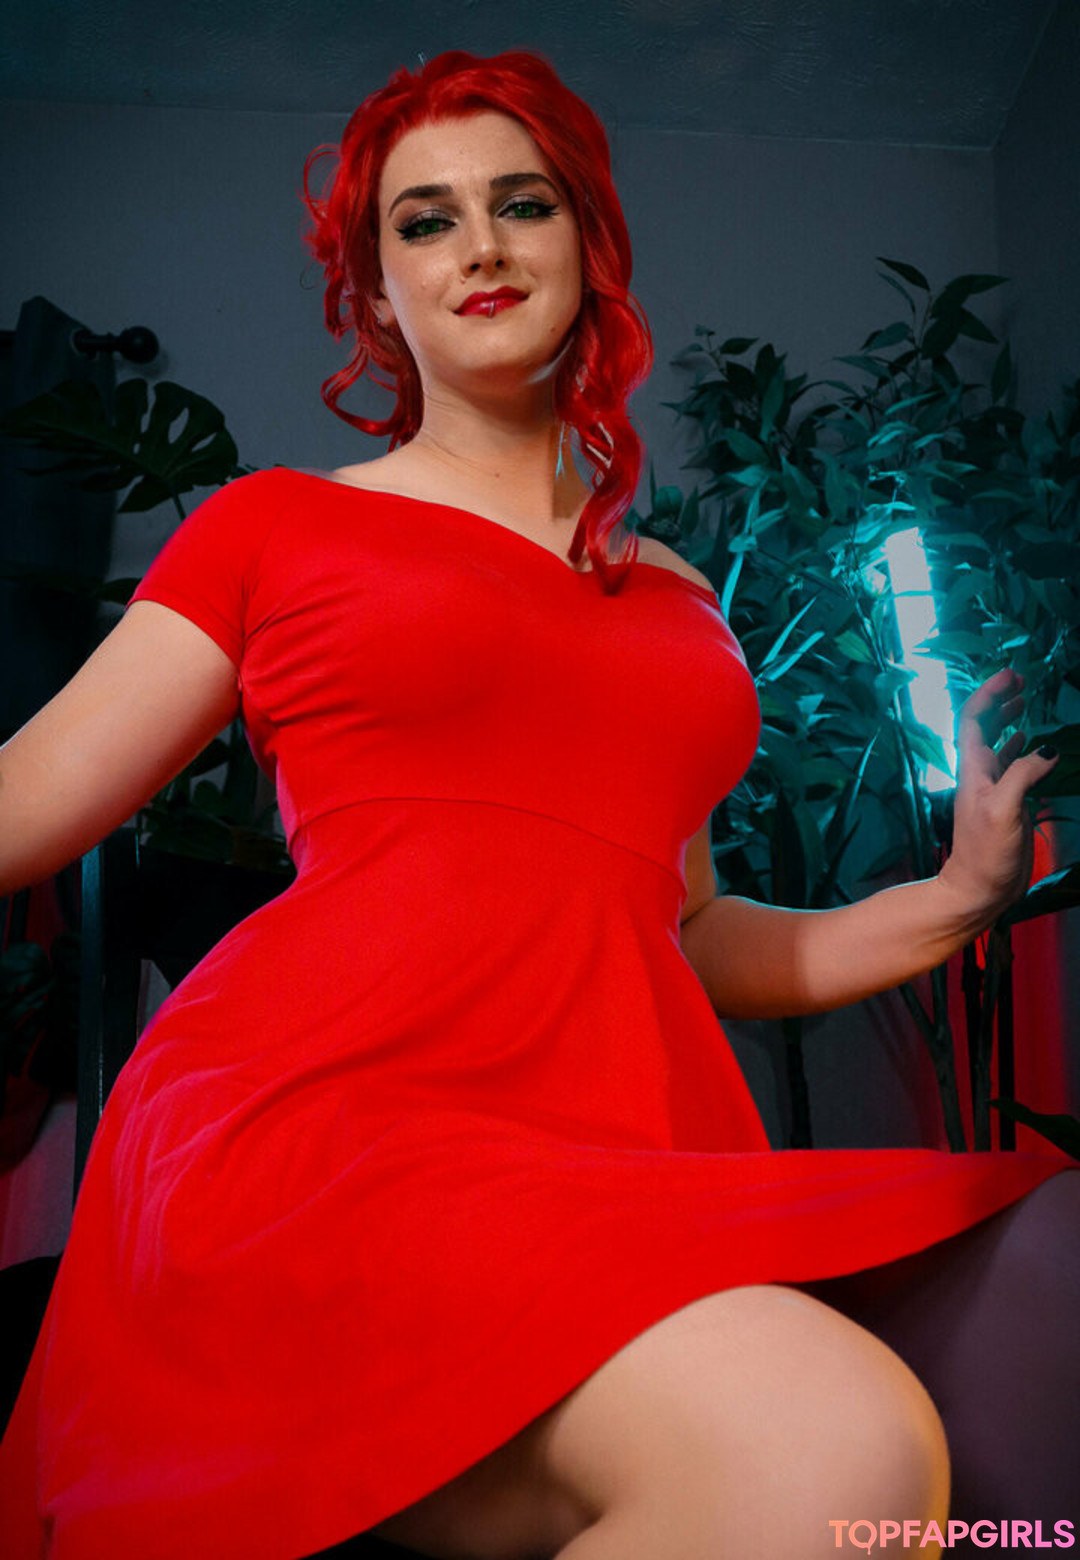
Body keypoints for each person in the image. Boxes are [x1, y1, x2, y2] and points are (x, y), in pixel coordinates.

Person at [0, 46, 1077, 1560]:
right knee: (833, 1449)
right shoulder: (271, 528)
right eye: (424, 220)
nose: (480, 246)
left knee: (1049, 1279)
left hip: (623, 1152)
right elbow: (23, 801)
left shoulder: (680, 599)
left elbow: (685, 933)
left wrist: (954, 900)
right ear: (379, 296)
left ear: (588, 244)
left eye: (522, 203)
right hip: (330, 1131)